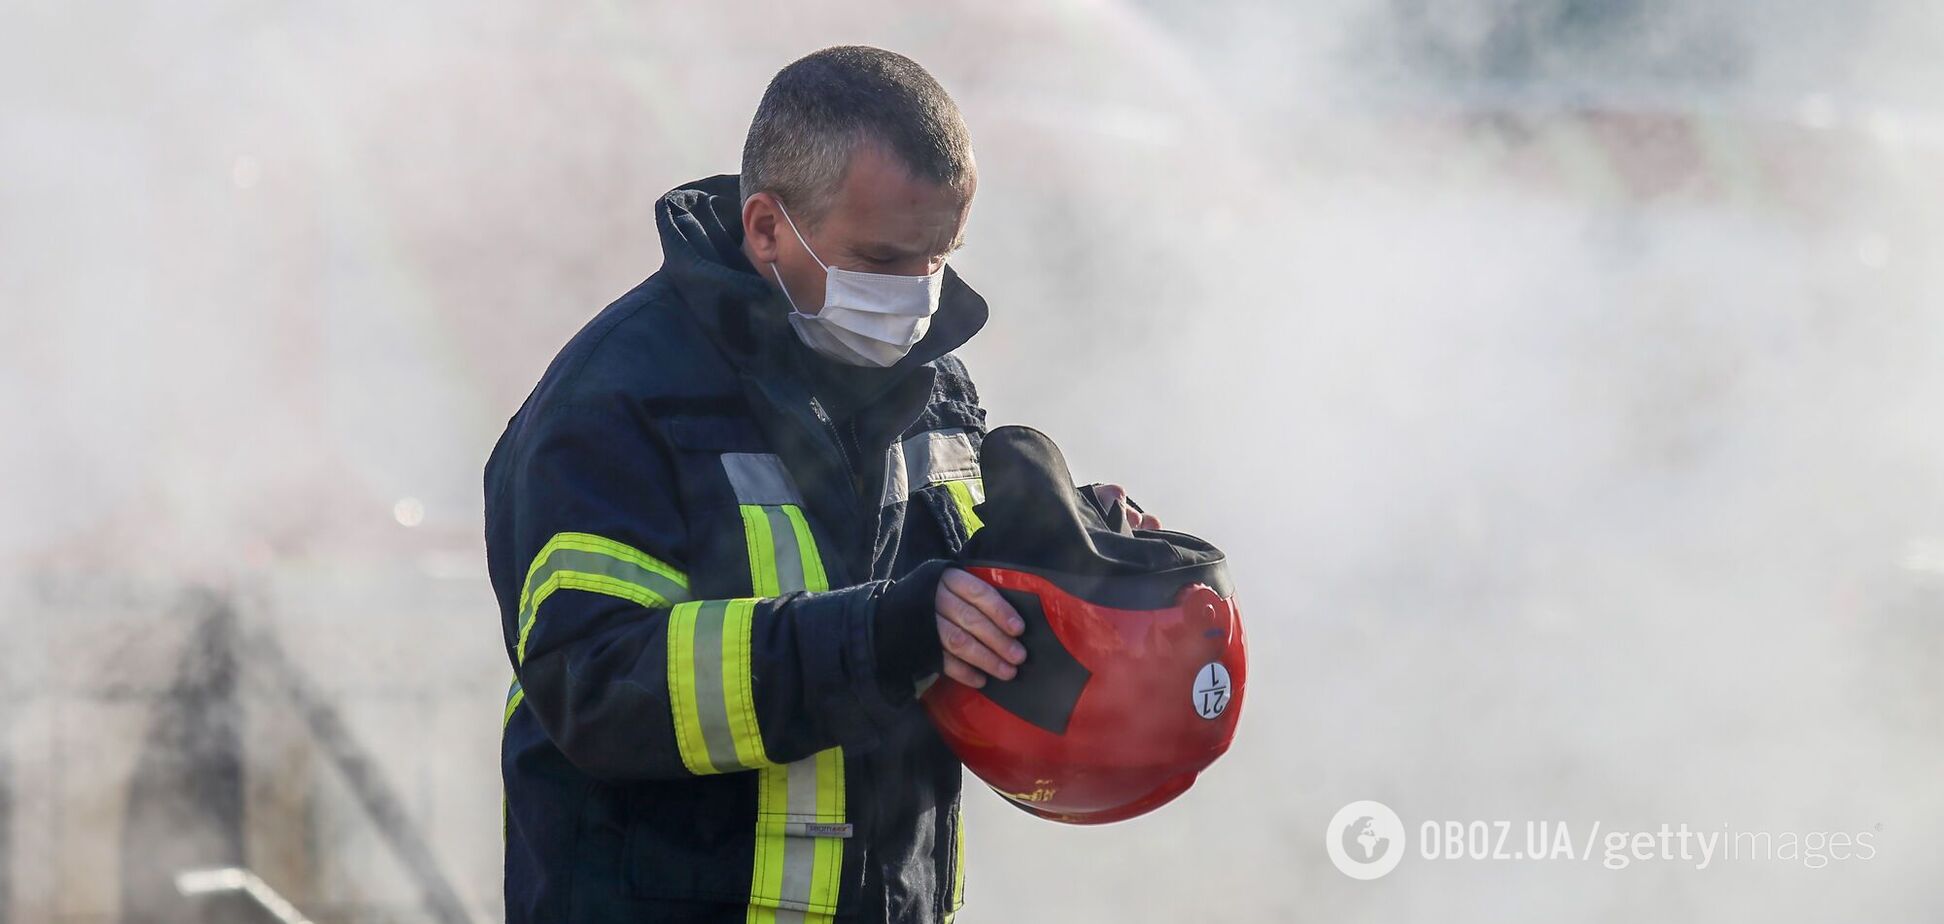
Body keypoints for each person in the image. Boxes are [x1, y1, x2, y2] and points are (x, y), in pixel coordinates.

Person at [484, 45, 1160, 923]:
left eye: (940, 258)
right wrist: (884, 635)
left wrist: (1066, 559)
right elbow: (597, 683)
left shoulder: (935, 385)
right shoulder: (613, 402)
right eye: (881, 259)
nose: (917, 298)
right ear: (766, 229)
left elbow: (954, 617)